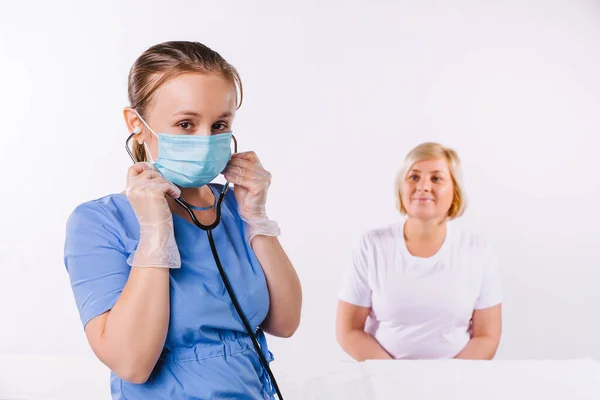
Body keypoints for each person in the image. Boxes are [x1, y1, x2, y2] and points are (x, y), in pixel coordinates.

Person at [64, 41, 302, 399]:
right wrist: (155, 233)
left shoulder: (236, 207)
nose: (206, 140)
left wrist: (257, 219)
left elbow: (285, 323)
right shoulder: (98, 222)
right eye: (186, 124)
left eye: (220, 124)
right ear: (137, 124)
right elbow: (132, 364)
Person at [335, 142, 502, 361]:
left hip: (455, 387)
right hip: (385, 384)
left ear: (455, 190)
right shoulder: (372, 245)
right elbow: (348, 330)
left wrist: (447, 385)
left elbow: (487, 336)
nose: (423, 186)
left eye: (436, 178)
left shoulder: (477, 249)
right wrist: (394, 379)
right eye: (413, 177)